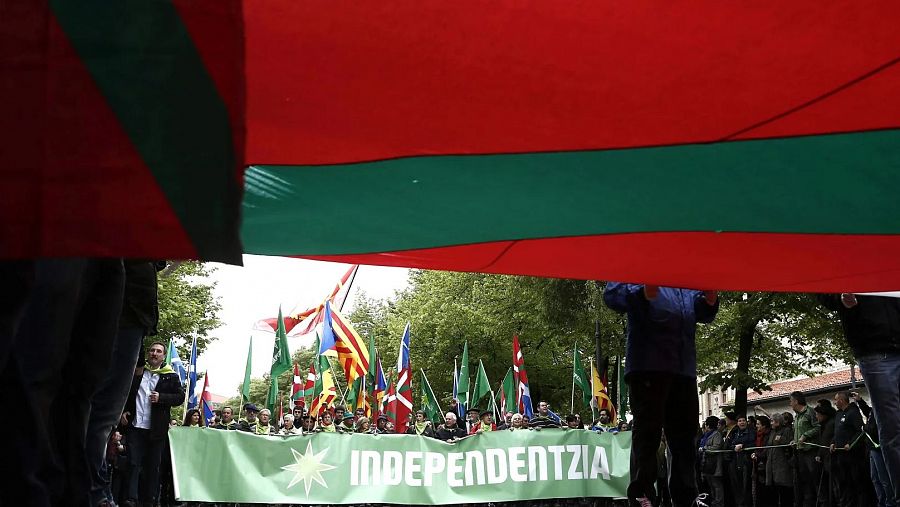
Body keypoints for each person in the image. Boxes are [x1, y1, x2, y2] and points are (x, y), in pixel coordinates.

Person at [604, 283, 719, 507]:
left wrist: (710, 301)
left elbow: (701, 313)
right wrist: (642, 293)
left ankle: (686, 497)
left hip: (683, 368)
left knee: (685, 438)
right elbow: (612, 295)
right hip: (648, 364)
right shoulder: (638, 265)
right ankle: (642, 494)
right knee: (648, 433)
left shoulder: (686, 276)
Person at [818, 293, 900, 505]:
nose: (836, 402)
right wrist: (840, 299)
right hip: (874, 346)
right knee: (893, 427)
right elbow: (821, 286)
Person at [122, 342, 185, 507]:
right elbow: (127, 393)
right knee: (133, 463)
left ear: (163, 356)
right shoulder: (138, 372)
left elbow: (180, 398)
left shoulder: (170, 375)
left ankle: (149, 500)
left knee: (153, 467)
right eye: (152, 350)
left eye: (158, 351)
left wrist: (162, 397)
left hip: (156, 429)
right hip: (136, 426)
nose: (154, 353)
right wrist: (124, 411)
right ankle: (131, 498)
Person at [858, 396, 896, 507]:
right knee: (875, 478)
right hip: (872, 449)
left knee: (883, 479)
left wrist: (864, 428)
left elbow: (874, 429)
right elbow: (867, 411)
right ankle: (881, 502)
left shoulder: (880, 411)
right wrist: (860, 401)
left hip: (878, 449)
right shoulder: (872, 411)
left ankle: (890, 502)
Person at [791, 391, 821, 507]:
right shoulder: (796, 415)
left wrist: (806, 435)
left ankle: (820, 501)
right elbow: (797, 431)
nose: (790, 404)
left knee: (814, 477)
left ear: (796, 401)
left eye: (791, 401)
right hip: (800, 451)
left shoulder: (810, 412)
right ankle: (808, 502)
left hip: (810, 450)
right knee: (804, 479)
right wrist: (795, 440)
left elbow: (818, 427)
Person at [763, 412, 795, 507]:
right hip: (771, 466)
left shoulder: (787, 430)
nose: (771, 423)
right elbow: (768, 447)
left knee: (785, 494)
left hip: (783, 467)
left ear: (778, 422)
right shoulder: (772, 432)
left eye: (772, 421)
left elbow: (789, 445)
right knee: (773, 495)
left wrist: (780, 440)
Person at [724, 415, 755, 507]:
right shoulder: (735, 432)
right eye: (740, 421)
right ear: (737, 423)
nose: (742, 422)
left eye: (743, 420)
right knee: (736, 485)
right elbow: (729, 444)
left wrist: (742, 445)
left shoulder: (752, 432)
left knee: (746, 486)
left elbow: (752, 442)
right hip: (735, 461)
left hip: (746, 461)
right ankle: (739, 504)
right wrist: (734, 447)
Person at [699, 416, 725, 507]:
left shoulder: (716, 434)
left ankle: (719, 502)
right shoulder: (707, 435)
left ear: (708, 425)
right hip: (707, 463)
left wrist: (704, 448)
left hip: (714, 464)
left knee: (717, 485)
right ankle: (714, 501)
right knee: (711, 484)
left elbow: (716, 447)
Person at [815, 400, 837, 503]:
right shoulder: (822, 425)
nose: (816, 416)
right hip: (825, 459)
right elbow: (822, 441)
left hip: (832, 459)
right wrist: (819, 454)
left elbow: (831, 439)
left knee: (835, 486)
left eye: (818, 414)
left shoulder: (832, 423)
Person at [751, 416, 772, 506]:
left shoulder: (769, 435)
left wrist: (757, 455)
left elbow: (766, 450)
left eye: (758, 424)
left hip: (766, 464)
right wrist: (755, 453)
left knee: (766, 490)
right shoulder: (758, 435)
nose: (756, 426)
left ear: (764, 426)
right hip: (758, 464)